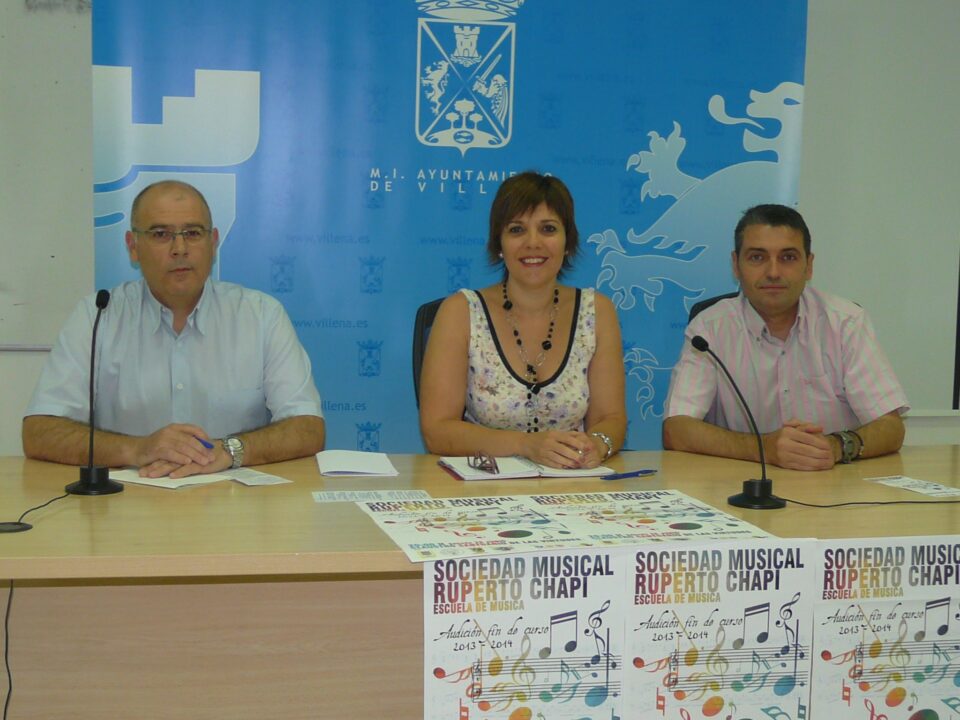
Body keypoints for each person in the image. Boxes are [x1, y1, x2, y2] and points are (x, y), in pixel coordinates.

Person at [22, 180, 325, 478]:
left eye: (193, 233)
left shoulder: (261, 315)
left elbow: (308, 428)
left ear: (213, 242)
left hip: (235, 508)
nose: (180, 249)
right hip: (126, 507)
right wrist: (137, 450)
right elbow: (39, 432)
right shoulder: (97, 315)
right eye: (161, 234)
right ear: (133, 247)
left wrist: (229, 451)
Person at [662, 203, 908, 470]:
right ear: (736, 264)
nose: (773, 272)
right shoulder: (710, 328)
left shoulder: (845, 322)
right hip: (742, 489)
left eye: (788, 257)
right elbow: (676, 429)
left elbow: (891, 427)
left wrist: (836, 446)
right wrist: (763, 448)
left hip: (832, 485)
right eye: (757, 257)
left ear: (809, 265)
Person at [419, 172, 627, 469]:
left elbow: (612, 419)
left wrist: (598, 444)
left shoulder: (598, 311)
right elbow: (437, 432)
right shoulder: (460, 311)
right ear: (499, 244)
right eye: (517, 230)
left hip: (570, 487)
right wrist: (526, 445)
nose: (533, 243)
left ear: (568, 242)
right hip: (481, 489)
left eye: (548, 229)